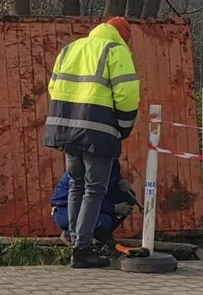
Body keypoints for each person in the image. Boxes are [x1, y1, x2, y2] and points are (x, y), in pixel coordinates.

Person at [44, 17, 140, 269]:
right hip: (97, 130)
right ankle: (83, 249)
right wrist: (123, 127)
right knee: (94, 189)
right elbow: (127, 94)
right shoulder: (115, 50)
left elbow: (53, 87)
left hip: (66, 129)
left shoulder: (71, 48)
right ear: (123, 36)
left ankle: (76, 241)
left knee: (76, 184)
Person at [50, 160, 137, 247]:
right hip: (65, 209)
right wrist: (113, 208)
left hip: (92, 202)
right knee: (104, 221)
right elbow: (88, 198)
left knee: (128, 198)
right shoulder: (87, 167)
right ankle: (69, 234)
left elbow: (112, 177)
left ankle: (102, 235)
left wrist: (120, 181)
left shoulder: (111, 161)